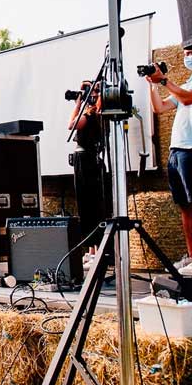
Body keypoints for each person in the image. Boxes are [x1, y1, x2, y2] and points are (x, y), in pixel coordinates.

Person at [146, 47, 192, 277]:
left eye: (191, 52)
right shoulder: (190, 80)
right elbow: (160, 108)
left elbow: (189, 99)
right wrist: (152, 83)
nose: (187, 56)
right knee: (185, 205)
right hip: (177, 149)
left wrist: (165, 81)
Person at [67, 81, 113, 265]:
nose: (90, 94)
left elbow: (72, 124)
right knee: (85, 204)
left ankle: (96, 249)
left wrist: (78, 104)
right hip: (83, 159)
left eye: (94, 91)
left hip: (88, 160)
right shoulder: (91, 112)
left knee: (92, 205)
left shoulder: (94, 114)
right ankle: (91, 248)